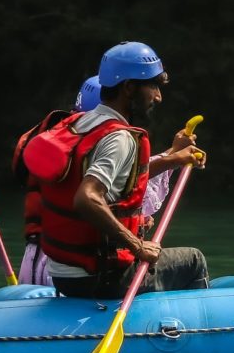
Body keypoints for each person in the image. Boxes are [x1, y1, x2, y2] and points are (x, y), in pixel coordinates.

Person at [27, 41, 209, 299]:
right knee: (193, 260)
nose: (158, 96)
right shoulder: (119, 138)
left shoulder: (81, 123)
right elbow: (86, 198)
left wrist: (174, 158)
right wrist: (136, 246)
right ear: (129, 88)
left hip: (63, 275)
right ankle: (181, 332)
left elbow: (127, 177)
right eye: (153, 86)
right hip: (103, 277)